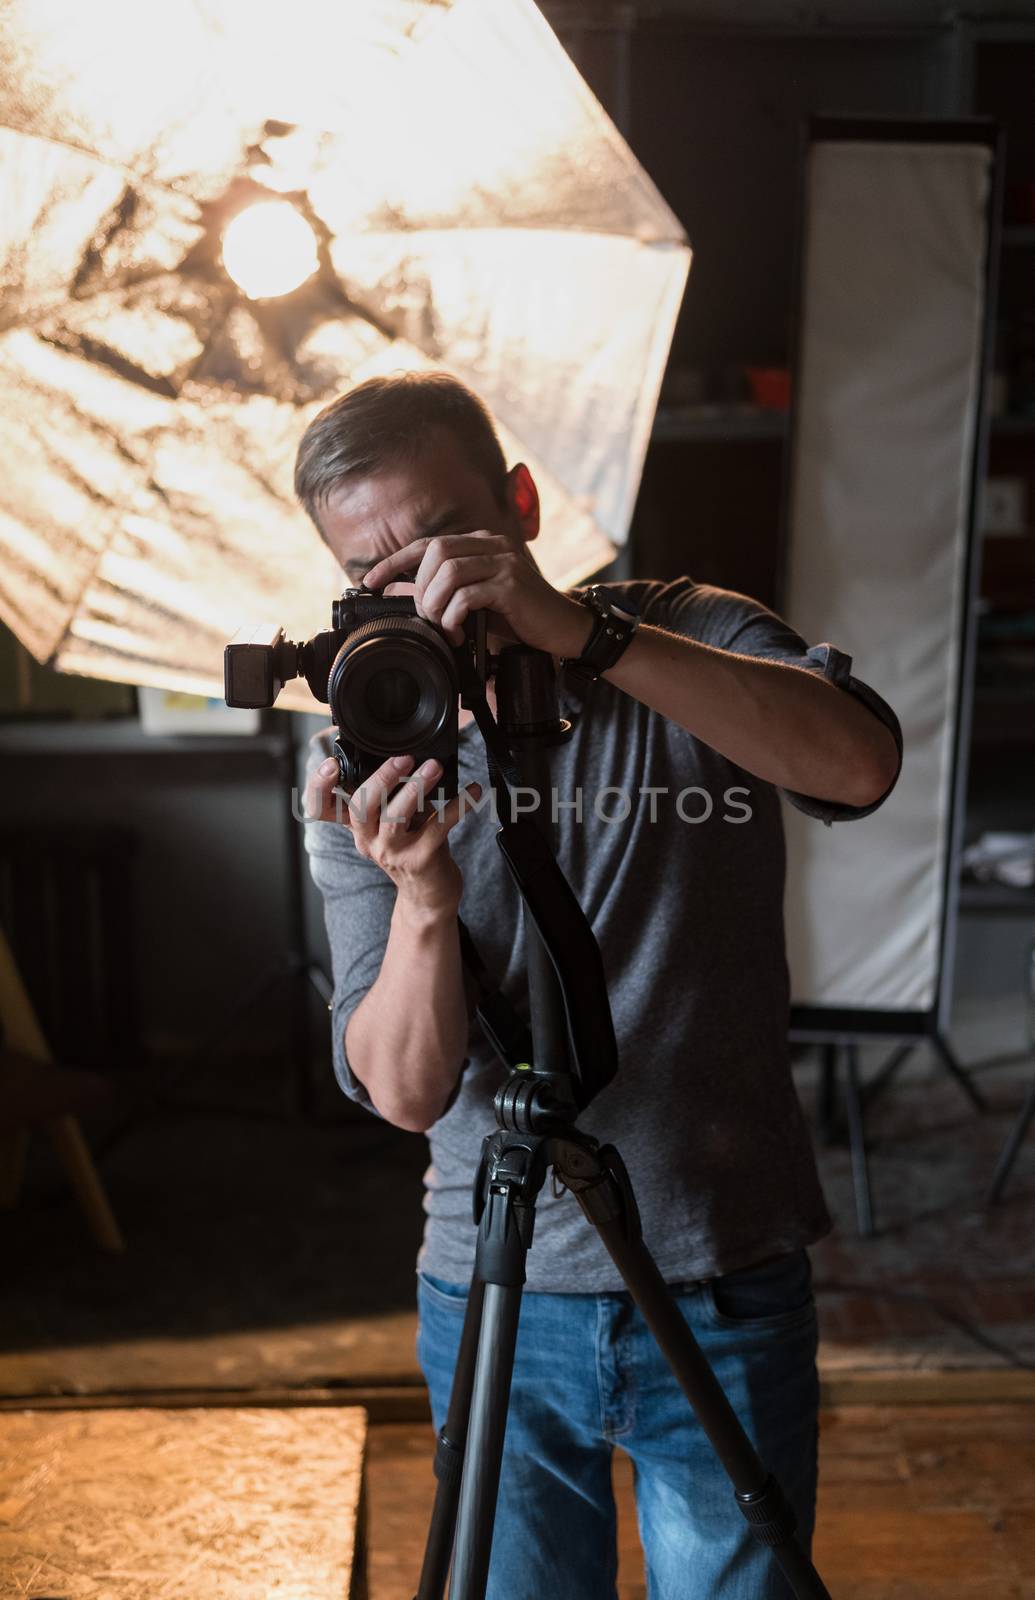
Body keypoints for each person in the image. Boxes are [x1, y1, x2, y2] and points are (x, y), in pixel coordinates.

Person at [298, 371, 901, 1599]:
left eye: (439, 542)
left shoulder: (681, 631)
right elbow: (407, 1092)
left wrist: (589, 637)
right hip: (490, 1289)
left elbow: (860, 763)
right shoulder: (369, 748)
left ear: (519, 502)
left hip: (719, 1263)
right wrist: (422, 899)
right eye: (375, 575)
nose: (419, 591)